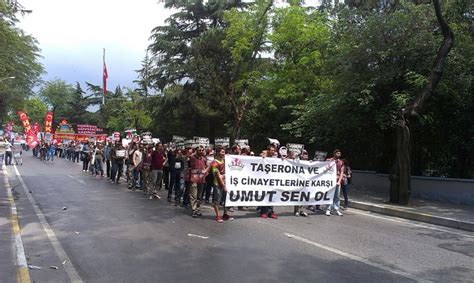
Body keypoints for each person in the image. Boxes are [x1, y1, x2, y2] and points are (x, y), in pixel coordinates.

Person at [210, 147, 233, 222]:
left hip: (227, 183)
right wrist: (223, 185)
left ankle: (225, 214)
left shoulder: (225, 160)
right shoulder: (214, 163)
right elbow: (217, 175)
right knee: (217, 200)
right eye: (222, 152)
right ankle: (218, 215)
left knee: (226, 200)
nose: (224, 153)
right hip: (218, 184)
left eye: (224, 152)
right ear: (218, 153)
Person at [259, 144, 278, 219]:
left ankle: (270, 212)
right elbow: (259, 157)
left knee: (271, 195)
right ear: (268, 150)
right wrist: (262, 156)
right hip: (264, 179)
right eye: (272, 150)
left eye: (274, 150)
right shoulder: (264, 154)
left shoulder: (275, 157)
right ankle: (263, 211)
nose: (273, 152)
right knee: (265, 195)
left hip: (271, 179)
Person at [325, 149, 344, 216]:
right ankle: (328, 209)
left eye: (340, 153)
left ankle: (336, 209)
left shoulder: (341, 162)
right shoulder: (329, 160)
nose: (339, 155)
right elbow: (323, 167)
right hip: (330, 181)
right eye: (338, 153)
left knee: (337, 196)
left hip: (337, 181)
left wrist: (339, 181)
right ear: (334, 154)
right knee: (330, 195)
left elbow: (342, 172)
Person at [189, 146, 207, 218]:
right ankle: (194, 210)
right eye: (200, 150)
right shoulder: (192, 158)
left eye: (202, 150)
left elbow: (205, 167)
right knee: (193, 195)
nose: (201, 151)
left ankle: (197, 209)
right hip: (194, 179)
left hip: (201, 180)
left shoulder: (204, 159)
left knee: (199, 196)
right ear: (196, 151)